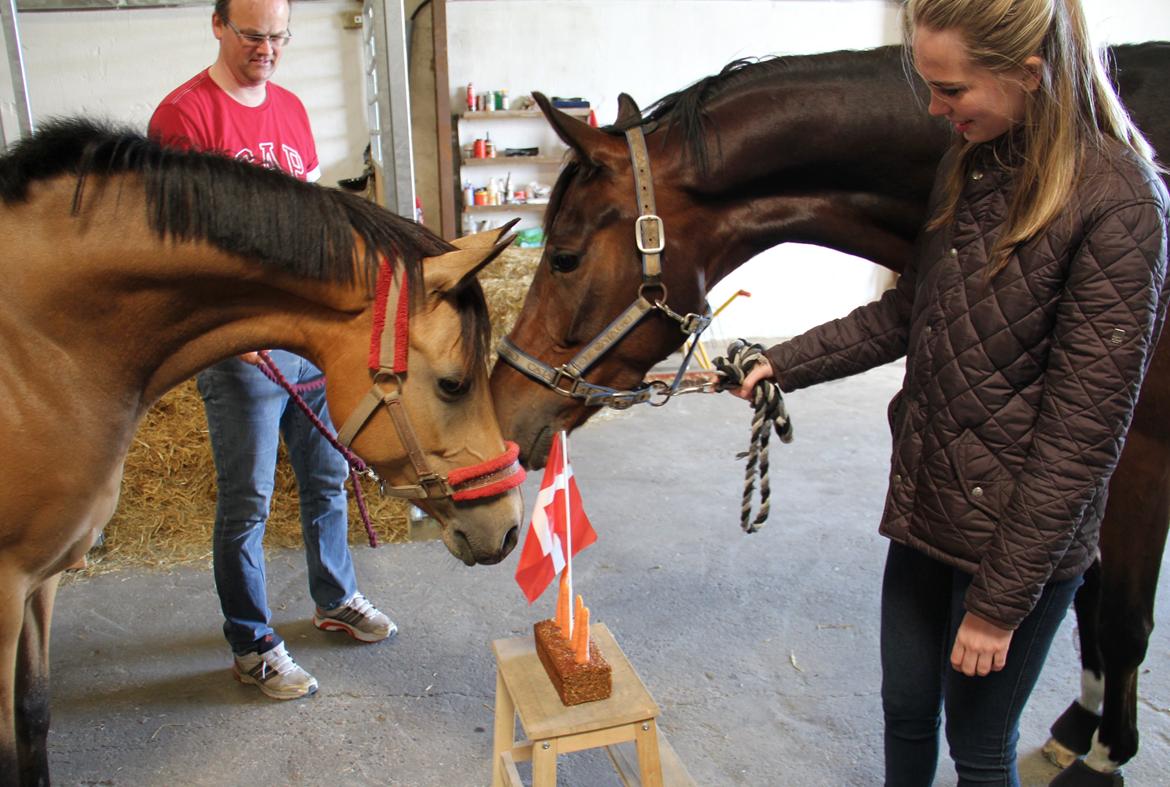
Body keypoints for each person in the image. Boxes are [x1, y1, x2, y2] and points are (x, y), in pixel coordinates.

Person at [733, 0, 1168, 782]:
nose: (935, 108)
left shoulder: (1120, 204)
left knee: (978, 746)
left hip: (1017, 543)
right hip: (928, 507)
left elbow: (1081, 440)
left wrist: (999, 603)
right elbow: (909, 311)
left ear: (1029, 75)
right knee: (904, 708)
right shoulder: (969, 162)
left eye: (953, 89)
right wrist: (785, 361)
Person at [149, 0, 394, 701]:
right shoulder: (184, 117)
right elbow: (182, 247)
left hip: (304, 336)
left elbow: (307, 220)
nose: (268, 49)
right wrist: (237, 329)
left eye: (280, 37)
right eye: (253, 35)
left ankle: (335, 596)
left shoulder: (289, 107)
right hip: (242, 347)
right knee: (248, 501)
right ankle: (251, 642)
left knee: (326, 476)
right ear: (219, 25)